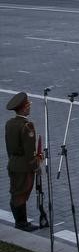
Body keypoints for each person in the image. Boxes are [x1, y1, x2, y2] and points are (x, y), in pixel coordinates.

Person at [5, 92, 39, 231]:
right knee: (21, 193)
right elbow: (30, 150)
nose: (30, 107)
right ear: (24, 108)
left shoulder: (9, 123)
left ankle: (21, 221)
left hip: (13, 163)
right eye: (28, 105)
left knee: (16, 192)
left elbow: (8, 146)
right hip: (24, 167)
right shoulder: (27, 126)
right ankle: (21, 223)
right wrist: (35, 166)